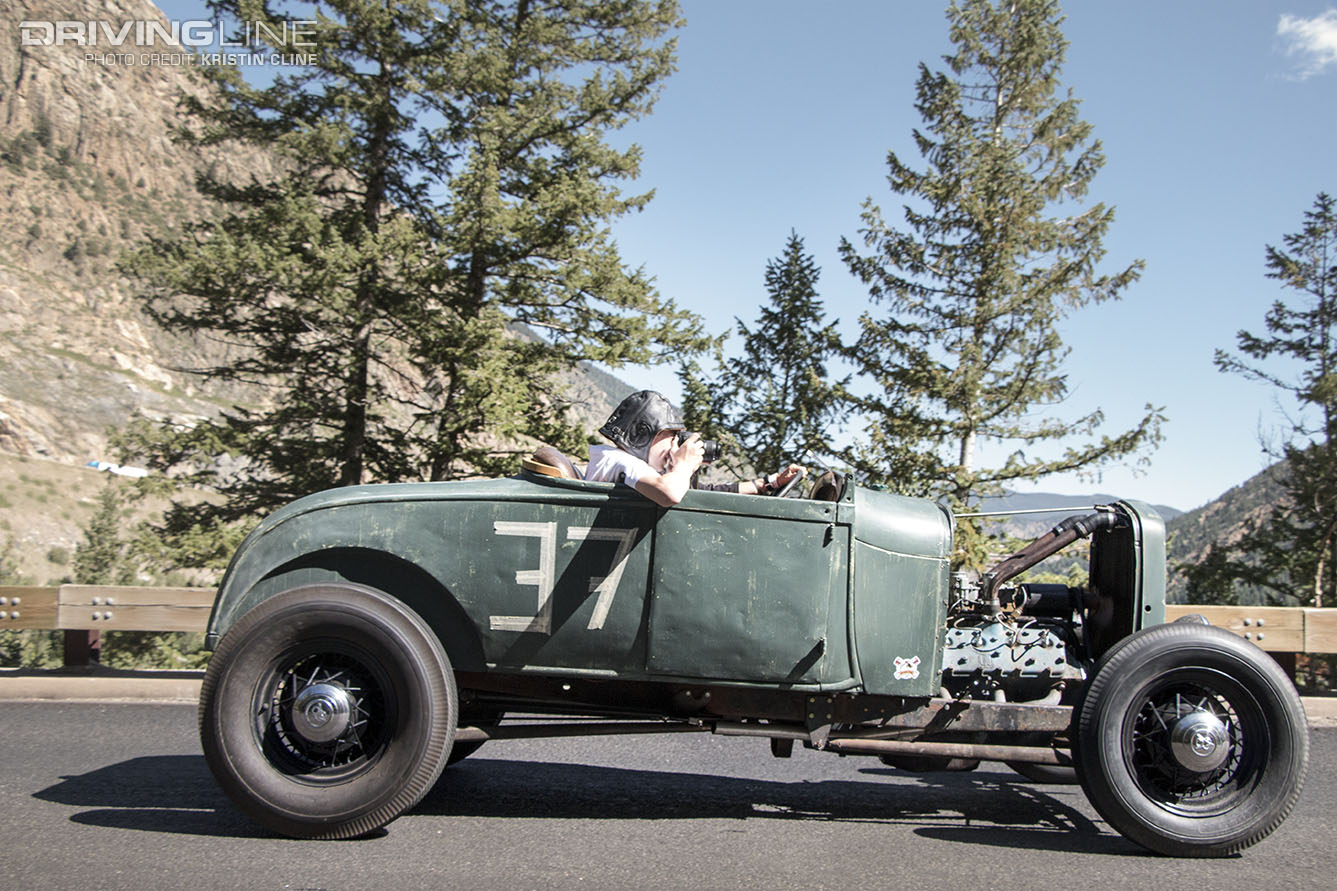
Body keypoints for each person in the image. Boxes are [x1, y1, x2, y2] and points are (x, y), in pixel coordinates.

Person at [586, 390, 805, 508]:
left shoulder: (623, 466)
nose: (674, 447)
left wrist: (770, 483)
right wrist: (682, 465)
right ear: (643, 434)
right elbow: (669, 494)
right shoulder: (617, 460)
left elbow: (702, 494)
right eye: (671, 438)